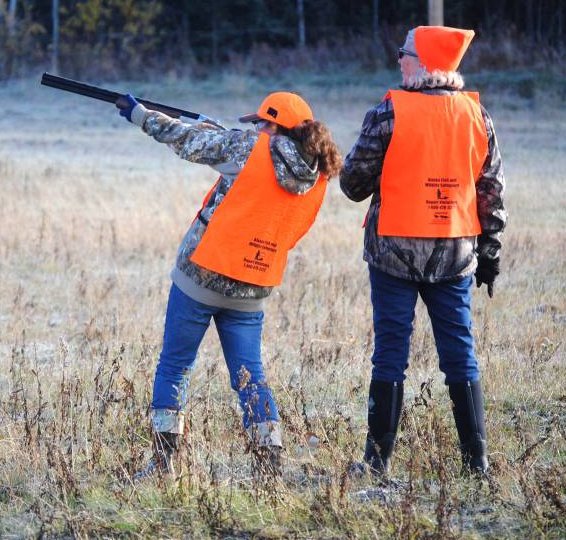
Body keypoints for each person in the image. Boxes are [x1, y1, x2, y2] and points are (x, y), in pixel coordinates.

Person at [115, 90, 342, 478]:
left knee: (175, 365)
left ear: (273, 126)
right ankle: (269, 463)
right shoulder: (318, 174)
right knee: (250, 377)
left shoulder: (251, 149)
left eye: (260, 124)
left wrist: (140, 115)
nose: (255, 130)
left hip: (200, 278)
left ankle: (164, 462)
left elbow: (187, 140)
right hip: (253, 286)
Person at [339, 26, 506, 477]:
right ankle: (477, 463)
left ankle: (376, 463)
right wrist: (489, 253)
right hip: (455, 257)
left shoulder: (388, 113)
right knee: (460, 353)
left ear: (425, 62)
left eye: (404, 53)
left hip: (393, 253)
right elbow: (491, 191)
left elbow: (353, 184)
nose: (399, 60)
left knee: (391, 352)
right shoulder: (478, 117)